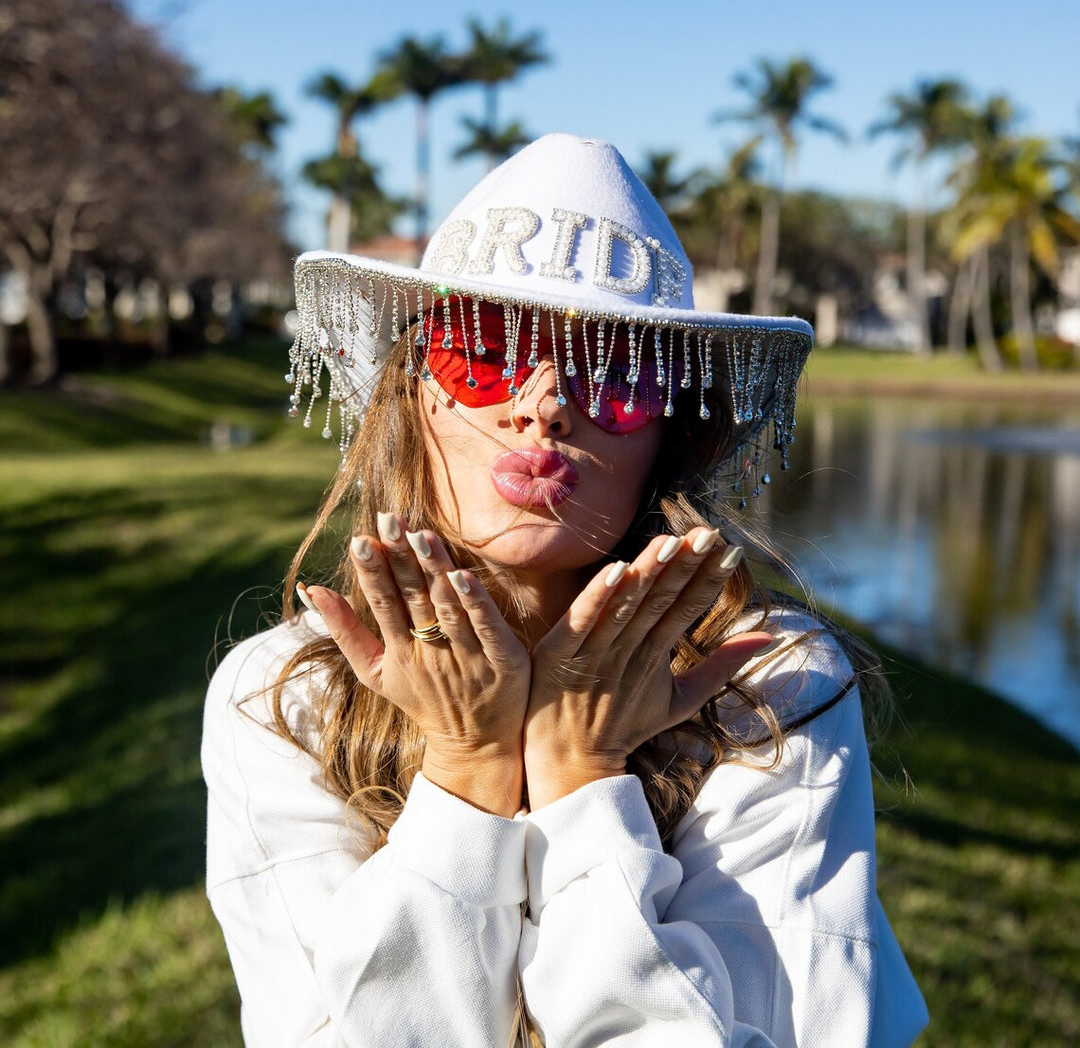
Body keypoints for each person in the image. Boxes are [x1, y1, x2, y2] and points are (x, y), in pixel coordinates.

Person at [202, 133, 928, 1047]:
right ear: (412, 394)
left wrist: (584, 781)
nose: (544, 402)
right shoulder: (281, 696)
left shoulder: (770, 684)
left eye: (617, 372)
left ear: (671, 434)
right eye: (486, 353)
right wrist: (467, 770)